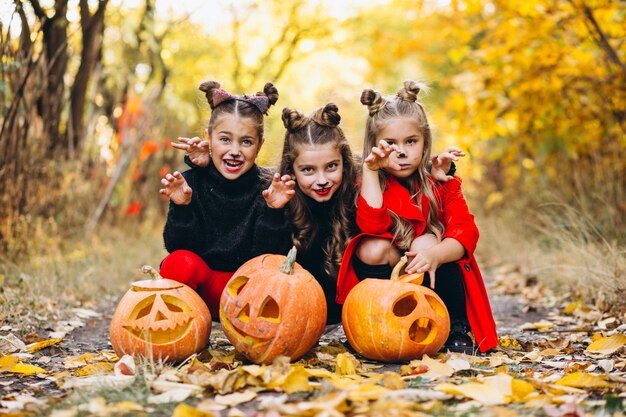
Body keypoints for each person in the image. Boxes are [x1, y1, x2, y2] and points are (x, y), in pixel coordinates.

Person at [335, 81, 498, 354]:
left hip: (434, 274)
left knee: (425, 244)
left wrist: (436, 254)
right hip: (391, 274)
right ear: (374, 145)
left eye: (411, 142)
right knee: (370, 247)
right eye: (390, 143)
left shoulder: (442, 183)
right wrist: (372, 171)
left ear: (425, 142)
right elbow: (371, 225)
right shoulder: (370, 181)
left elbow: (466, 232)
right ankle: (374, 322)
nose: (401, 151)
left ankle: (454, 324)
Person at [159, 80, 295, 319]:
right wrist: (182, 207)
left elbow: (268, 259)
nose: (235, 150)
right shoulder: (192, 182)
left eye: (246, 142)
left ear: (259, 145)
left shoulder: (268, 188)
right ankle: (188, 322)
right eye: (225, 139)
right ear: (208, 138)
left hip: (249, 294)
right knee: (176, 262)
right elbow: (178, 247)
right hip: (204, 292)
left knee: (278, 275)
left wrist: (273, 211)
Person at [277, 103, 359, 324]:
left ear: (345, 161)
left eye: (331, 166)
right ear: (291, 170)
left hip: (350, 313)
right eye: (308, 170)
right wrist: (273, 211)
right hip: (300, 314)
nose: (322, 180)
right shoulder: (281, 198)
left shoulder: (356, 193)